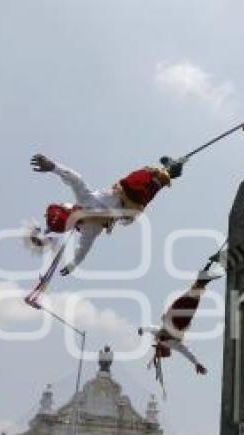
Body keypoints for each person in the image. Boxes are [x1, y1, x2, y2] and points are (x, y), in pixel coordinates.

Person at [23, 154, 185, 307]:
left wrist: (53, 167)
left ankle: (167, 171)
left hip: (124, 194)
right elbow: (83, 249)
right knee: (149, 185)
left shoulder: (86, 213)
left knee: (144, 180)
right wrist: (72, 264)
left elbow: (75, 180)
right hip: (129, 205)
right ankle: (169, 172)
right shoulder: (89, 228)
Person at [137, 256, 223, 390]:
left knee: (190, 296)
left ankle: (204, 275)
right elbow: (186, 352)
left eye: (163, 351)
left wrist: (142, 329)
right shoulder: (173, 344)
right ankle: (204, 277)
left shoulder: (160, 337)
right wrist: (196, 363)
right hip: (181, 321)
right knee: (194, 298)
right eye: (164, 351)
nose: (165, 350)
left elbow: (152, 328)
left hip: (173, 315)